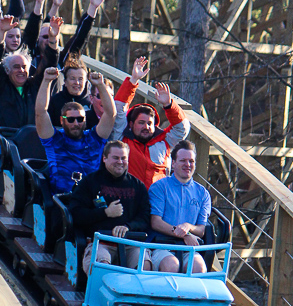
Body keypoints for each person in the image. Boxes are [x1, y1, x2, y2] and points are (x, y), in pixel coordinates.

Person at [70, 140, 151, 274]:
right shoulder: (90, 182)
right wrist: (105, 213)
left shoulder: (138, 187)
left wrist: (128, 226)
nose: (120, 162)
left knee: (144, 265)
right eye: (115, 158)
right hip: (100, 242)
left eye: (123, 158)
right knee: (101, 266)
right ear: (105, 158)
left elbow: (145, 218)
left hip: (130, 245)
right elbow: (75, 213)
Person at [112, 56, 190, 188]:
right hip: (129, 200)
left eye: (150, 123)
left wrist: (169, 105)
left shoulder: (164, 142)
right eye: (141, 122)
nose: (146, 127)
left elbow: (182, 128)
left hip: (157, 203)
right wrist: (133, 80)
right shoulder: (121, 139)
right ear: (131, 124)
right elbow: (118, 110)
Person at [35, 67, 116, 194]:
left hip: (90, 200)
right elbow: (40, 112)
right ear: (62, 120)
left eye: (80, 119)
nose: (76, 123)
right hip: (62, 201)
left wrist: (100, 85)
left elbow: (110, 114)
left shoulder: (94, 138)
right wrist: (46, 81)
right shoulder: (54, 140)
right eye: (71, 119)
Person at [0, 15, 60, 130]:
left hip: (31, 141)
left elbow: (49, 64)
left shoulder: (34, 87)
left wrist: (53, 39)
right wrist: (1, 32)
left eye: (24, 67)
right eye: (16, 67)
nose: (21, 70)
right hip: (5, 140)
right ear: (7, 70)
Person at [148, 140, 211, 273]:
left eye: (191, 161)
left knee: (199, 268)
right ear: (174, 163)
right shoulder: (159, 187)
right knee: (171, 266)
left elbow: (201, 230)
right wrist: (184, 234)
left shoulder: (203, 193)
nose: (187, 164)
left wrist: (188, 227)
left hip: (188, 247)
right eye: (183, 160)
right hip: (162, 246)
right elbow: (155, 222)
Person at [23, 0, 110, 69]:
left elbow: (80, 38)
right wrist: (39, 3)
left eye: (53, 37)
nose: (49, 40)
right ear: (38, 39)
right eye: (46, 37)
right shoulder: (29, 57)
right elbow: (31, 33)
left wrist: (93, 7)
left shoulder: (62, 60)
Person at [47, 58, 91, 126]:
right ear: (65, 82)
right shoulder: (55, 101)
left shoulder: (92, 102)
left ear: (86, 82)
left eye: (80, 79)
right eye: (72, 79)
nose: (77, 82)